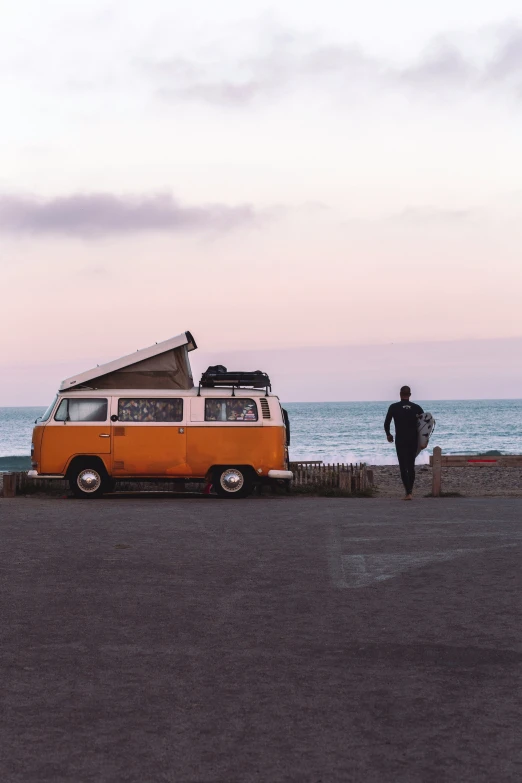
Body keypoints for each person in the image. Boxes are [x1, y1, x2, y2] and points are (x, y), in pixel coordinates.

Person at [384, 386, 424, 500]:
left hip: (400, 440)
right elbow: (425, 426)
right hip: (413, 440)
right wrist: (423, 441)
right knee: (411, 466)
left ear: (400, 394)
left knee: (403, 466)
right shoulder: (417, 408)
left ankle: (408, 492)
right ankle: (410, 491)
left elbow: (386, 423)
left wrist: (388, 434)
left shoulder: (394, 407)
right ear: (410, 394)